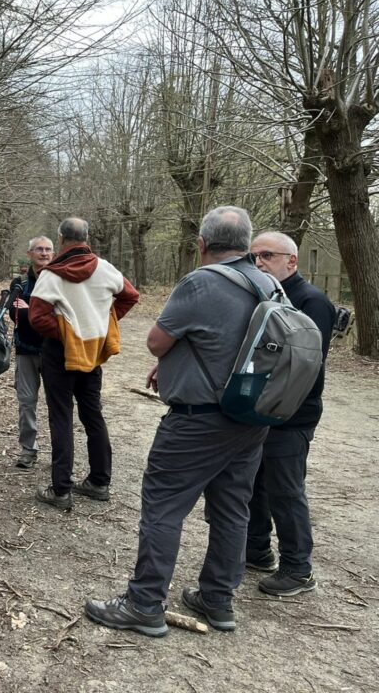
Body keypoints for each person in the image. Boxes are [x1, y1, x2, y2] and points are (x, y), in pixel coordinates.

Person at [85, 206, 274, 637]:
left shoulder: (200, 282)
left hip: (197, 421)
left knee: (163, 506)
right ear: (247, 244)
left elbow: (156, 342)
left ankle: (144, 603)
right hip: (250, 416)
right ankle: (218, 599)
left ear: (202, 243)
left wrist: (172, 358)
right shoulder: (269, 283)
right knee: (233, 510)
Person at [245, 231, 335, 596]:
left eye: (267, 255)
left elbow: (304, 364)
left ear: (291, 261)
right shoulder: (266, 296)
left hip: (292, 412)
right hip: (260, 408)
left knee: (285, 489)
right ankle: (256, 550)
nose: (259, 262)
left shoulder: (312, 301)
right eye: (254, 257)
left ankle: (299, 569)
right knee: (255, 482)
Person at [28, 218, 139, 509]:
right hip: (93, 350)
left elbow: (37, 317)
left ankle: (61, 490)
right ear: (87, 237)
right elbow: (130, 296)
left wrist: (67, 333)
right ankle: (99, 482)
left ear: (61, 239)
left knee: (61, 417)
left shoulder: (51, 274)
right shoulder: (106, 269)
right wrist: (103, 323)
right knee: (92, 414)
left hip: (59, 353)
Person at [9, 236, 54, 469]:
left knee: (58, 404)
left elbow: (60, 315)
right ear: (30, 254)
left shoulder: (60, 281)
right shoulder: (20, 283)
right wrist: (38, 313)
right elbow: (13, 313)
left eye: (48, 249)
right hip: (25, 350)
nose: (44, 253)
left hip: (54, 351)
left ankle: (60, 453)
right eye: (39, 249)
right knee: (26, 402)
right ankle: (28, 449)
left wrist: (29, 310)